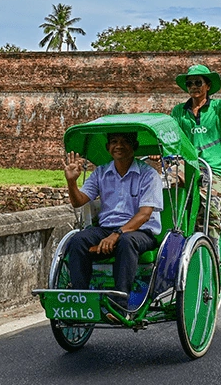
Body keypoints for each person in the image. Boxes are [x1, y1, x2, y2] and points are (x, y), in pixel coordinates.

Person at [62, 132, 163, 314]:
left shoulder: (148, 175)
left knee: (126, 241)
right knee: (78, 241)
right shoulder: (101, 172)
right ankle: (81, 300)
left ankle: (119, 304)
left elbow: (145, 215)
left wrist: (117, 234)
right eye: (114, 142)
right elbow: (79, 201)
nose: (119, 146)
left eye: (125, 141)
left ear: (135, 146)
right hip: (106, 229)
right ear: (108, 148)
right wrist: (71, 183)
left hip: (141, 232)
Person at [171, 64, 221, 238]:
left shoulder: (219, 107)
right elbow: (171, 137)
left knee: (209, 213)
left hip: (214, 169)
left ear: (208, 86)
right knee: (166, 189)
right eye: (190, 84)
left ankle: (211, 254)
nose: (194, 87)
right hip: (187, 166)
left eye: (198, 82)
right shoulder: (179, 112)